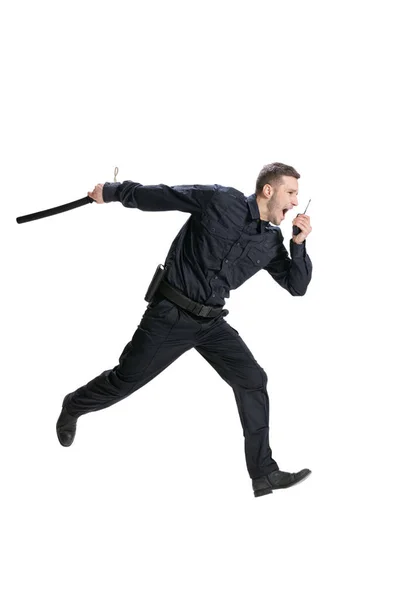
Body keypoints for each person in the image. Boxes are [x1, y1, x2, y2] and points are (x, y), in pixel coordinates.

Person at [56, 162, 313, 497]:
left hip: (211, 323)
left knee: (252, 379)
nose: (295, 202)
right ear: (269, 190)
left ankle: (264, 473)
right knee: (125, 381)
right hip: (170, 315)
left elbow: (297, 286)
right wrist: (112, 192)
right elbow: (163, 196)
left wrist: (299, 244)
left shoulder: (269, 242)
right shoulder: (222, 201)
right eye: (291, 192)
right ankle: (74, 405)